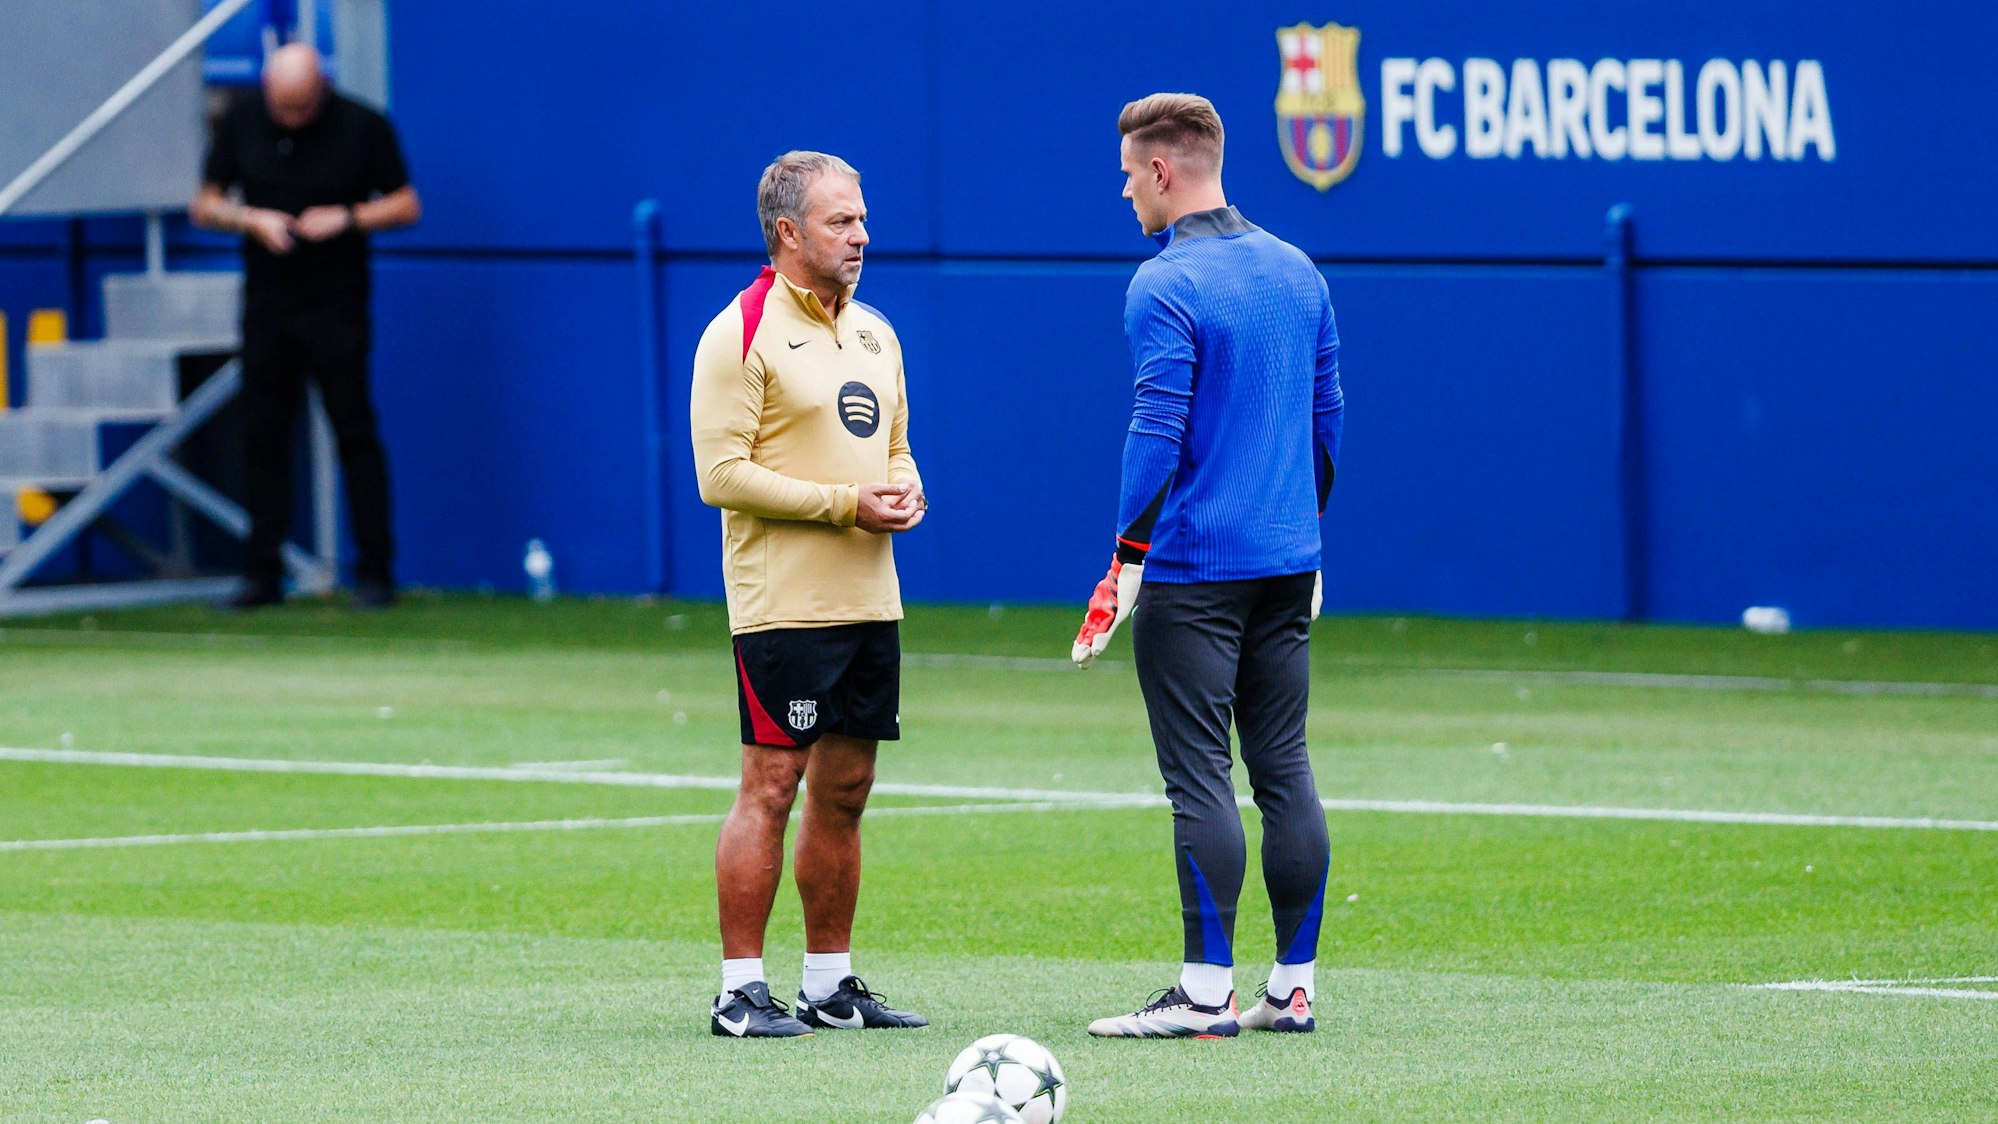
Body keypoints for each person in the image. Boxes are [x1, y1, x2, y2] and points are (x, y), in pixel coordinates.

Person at [1072, 93, 1345, 1038]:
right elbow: (1329, 422)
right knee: (1285, 768)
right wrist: (1304, 534)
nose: (1123, 193)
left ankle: (1202, 996)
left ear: (1160, 170)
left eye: (1125, 175)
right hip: (1285, 561)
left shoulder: (1165, 283)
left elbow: (1157, 431)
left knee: (1199, 779)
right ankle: (1294, 987)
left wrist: (1124, 559)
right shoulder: (1298, 268)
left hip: (1193, 569)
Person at [689, 151, 930, 1039]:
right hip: (781, 607)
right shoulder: (740, 330)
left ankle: (829, 986)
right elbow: (719, 474)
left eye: (862, 218)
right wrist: (844, 506)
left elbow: (895, 446)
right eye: (841, 221)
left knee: (849, 787)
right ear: (789, 233)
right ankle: (739, 994)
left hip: (870, 602)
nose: (861, 235)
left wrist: (905, 490)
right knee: (773, 784)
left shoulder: (875, 332)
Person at [191, 43, 420, 609]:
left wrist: (345, 218)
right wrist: (251, 219)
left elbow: (406, 204)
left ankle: (375, 570)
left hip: (336, 300)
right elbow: (205, 203)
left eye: (302, 107)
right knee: (262, 432)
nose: (292, 118)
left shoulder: (363, 125)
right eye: (283, 108)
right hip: (268, 299)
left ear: (321, 90)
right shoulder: (241, 119)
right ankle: (261, 572)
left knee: (354, 429)